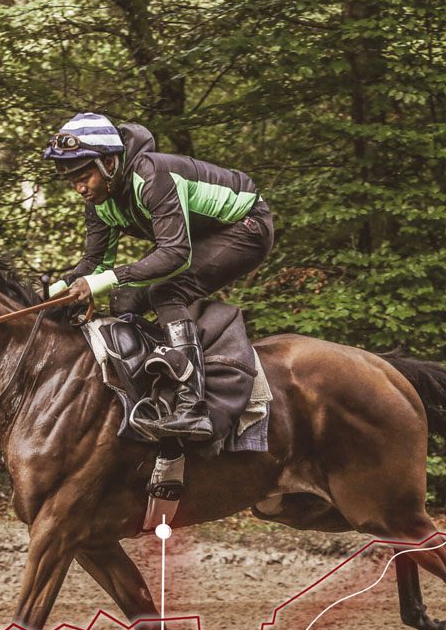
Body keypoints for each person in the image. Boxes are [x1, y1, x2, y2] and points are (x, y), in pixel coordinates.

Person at [43, 112, 274, 442]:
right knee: (123, 298)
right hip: (199, 238)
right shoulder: (99, 202)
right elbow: (94, 264)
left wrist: (103, 280)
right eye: (72, 181)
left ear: (108, 163)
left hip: (246, 226)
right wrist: (58, 291)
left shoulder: (153, 175)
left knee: (166, 292)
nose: (79, 188)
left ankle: (192, 408)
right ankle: (157, 384)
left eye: (84, 177)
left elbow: (176, 254)